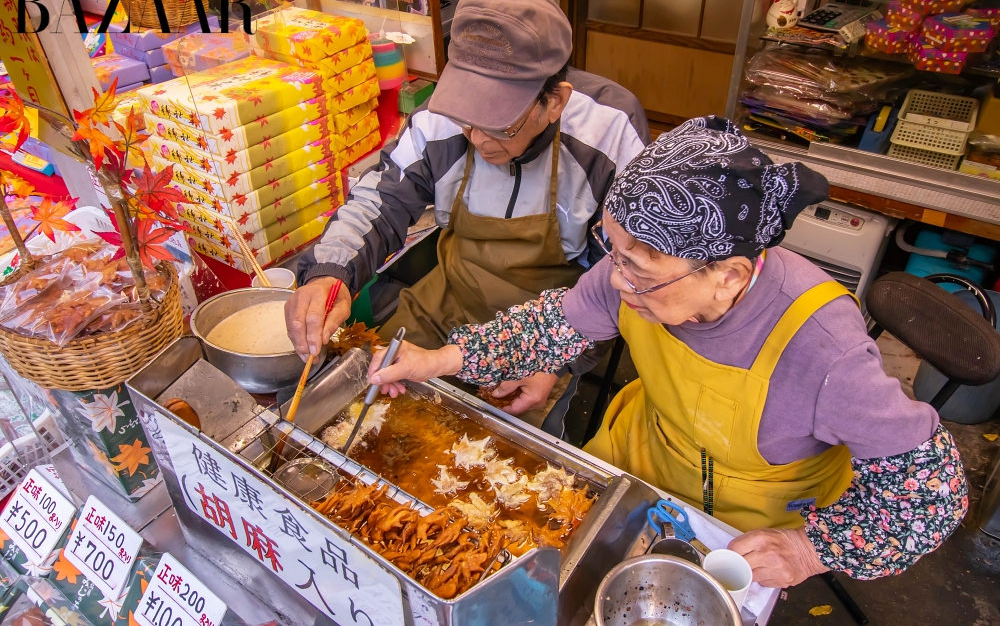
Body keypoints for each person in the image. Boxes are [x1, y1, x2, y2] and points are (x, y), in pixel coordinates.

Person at [362, 117, 969, 587]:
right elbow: (553, 324)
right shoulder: (628, 275)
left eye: (641, 269)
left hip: (750, 518)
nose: (617, 279)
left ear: (729, 276)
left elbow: (930, 491)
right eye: (613, 250)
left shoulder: (825, 352)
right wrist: (435, 362)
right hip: (642, 460)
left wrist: (809, 549)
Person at [286, 0, 650, 423]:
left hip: (554, 325)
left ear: (553, 102)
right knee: (369, 413)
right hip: (447, 302)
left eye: (498, 123)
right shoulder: (440, 121)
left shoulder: (608, 138)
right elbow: (379, 198)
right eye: (467, 119)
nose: (477, 139)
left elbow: (619, 274)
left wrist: (557, 360)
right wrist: (330, 273)